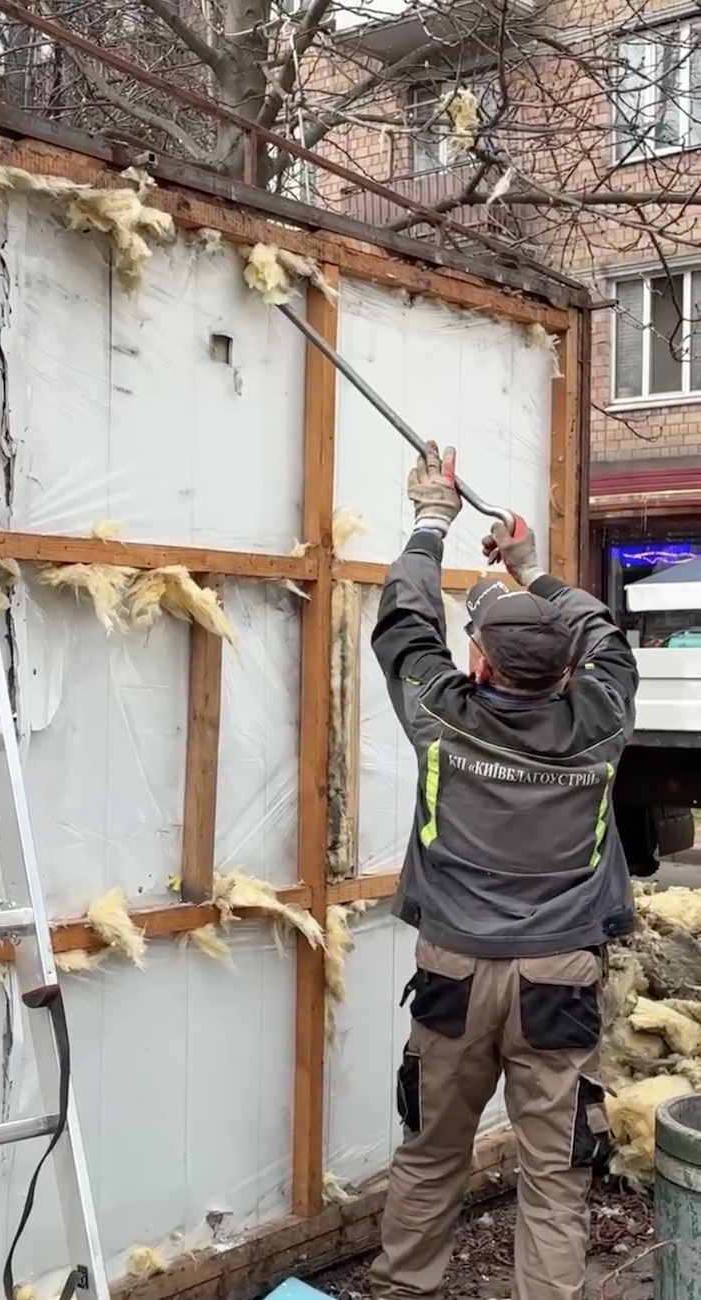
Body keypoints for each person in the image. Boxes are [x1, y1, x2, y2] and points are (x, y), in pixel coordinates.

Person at [369, 442, 639, 1300]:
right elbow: (606, 636)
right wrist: (533, 569)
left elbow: (403, 625)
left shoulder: (443, 718)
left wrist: (431, 518)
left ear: (478, 662)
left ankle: (404, 1288)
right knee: (555, 1176)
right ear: (567, 672)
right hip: (559, 978)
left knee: (431, 1154)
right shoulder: (602, 716)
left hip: (454, 972)